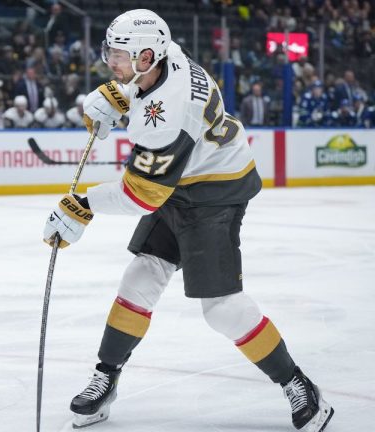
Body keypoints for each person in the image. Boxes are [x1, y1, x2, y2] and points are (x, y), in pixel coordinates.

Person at [42, 9, 334, 432]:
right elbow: (148, 105)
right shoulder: (165, 54)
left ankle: (300, 385)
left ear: (147, 56)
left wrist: (82, 206)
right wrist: (124, 97)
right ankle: (107, 377)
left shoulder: (168, 113)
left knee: (222, 309)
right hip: (185, 180)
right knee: (140, 277)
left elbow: (140, 194)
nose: (111, 62)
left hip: (214, 192)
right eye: (111, 52)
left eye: (120, 56)